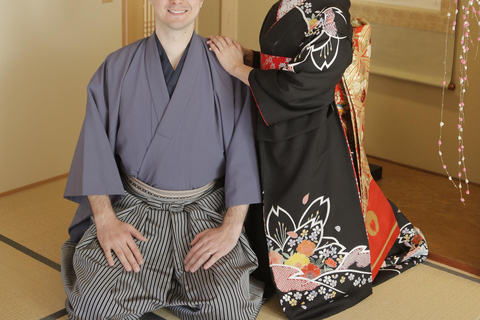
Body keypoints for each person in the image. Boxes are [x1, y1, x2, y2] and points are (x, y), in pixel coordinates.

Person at [207, 0, 428, 319]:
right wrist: (251, 57)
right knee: (273, 200)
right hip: (277, 121)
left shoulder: (331, 15)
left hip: (306, 131)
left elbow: (305, 82)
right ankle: (272, 271)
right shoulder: (290, 4)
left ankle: (317, 282)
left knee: (301, 207)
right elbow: (288, 61)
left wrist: (238, 69)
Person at [60, 0, 264, 319]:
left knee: (229, 311)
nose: (177, 2)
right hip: (134, 211)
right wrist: (105, 220)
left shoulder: (228, 67)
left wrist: (231, 227)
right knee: (94, 307)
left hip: (204, 214)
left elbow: (244, 156)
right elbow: (94, 149)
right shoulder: (116, 67)